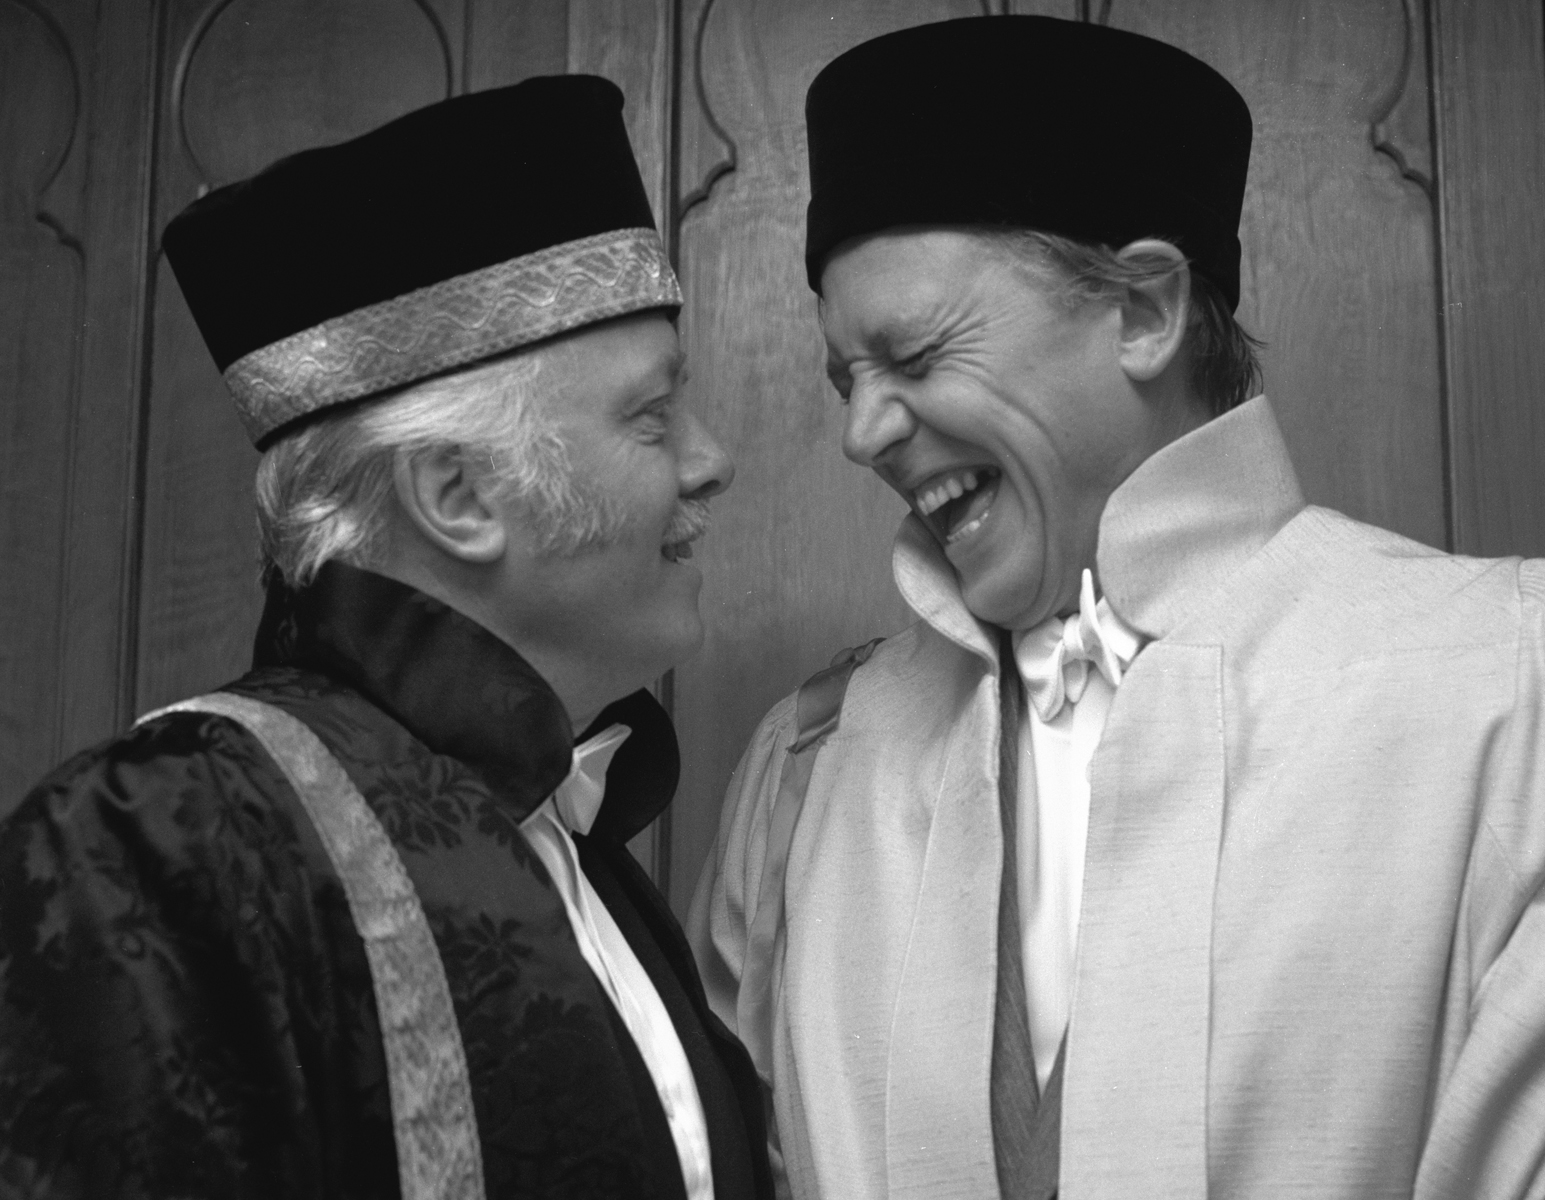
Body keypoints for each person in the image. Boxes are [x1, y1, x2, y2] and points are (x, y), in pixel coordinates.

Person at [690, 15, 1545, 1200]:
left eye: (917, 355)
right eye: (849, 379)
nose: (861, 432)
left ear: (1143, 310)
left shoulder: (1509, 688)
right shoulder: (804, 769)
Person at [0, 76, 771, 1200]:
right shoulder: (162, 843)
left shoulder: (577, 847)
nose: (710, 460)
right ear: (457, 494)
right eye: (651, 416)